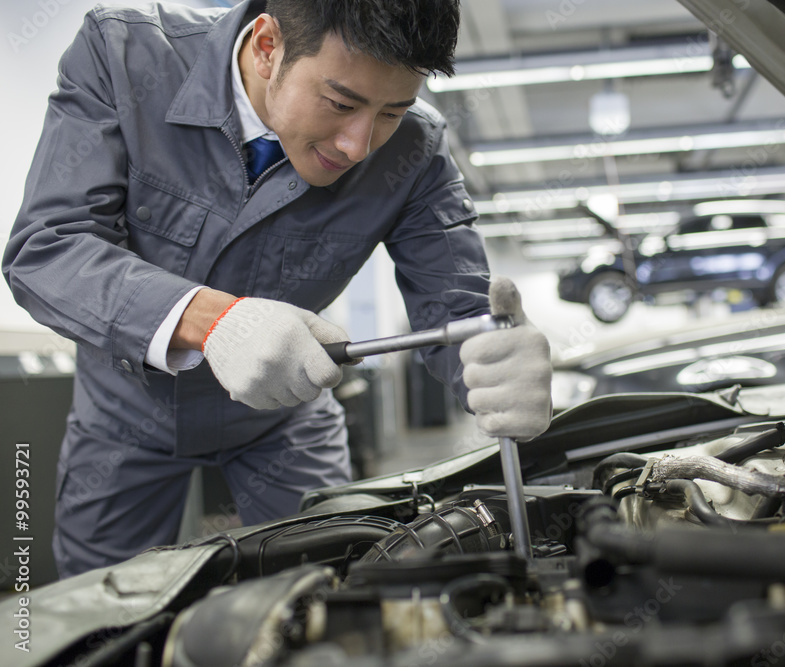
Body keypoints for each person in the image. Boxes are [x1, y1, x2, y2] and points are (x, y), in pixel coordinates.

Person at [3, 0, 552, 579]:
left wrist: (496, 363)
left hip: (284, 419)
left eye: (393, 110)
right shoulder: (124, 57)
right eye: (340, 103)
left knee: (336, 586)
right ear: (268, 46)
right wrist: (212, 321)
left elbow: (460, 309)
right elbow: (47, 249)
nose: (358, 146)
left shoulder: (416, 152)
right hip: (123, 414)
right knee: (101, 614)